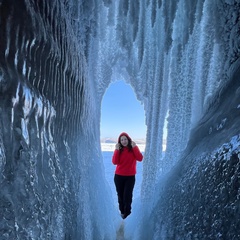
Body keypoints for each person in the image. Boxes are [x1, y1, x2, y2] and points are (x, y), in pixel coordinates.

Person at [112, 132, 143, 219]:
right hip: (118, 176)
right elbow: (114, 162)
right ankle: (122, 212)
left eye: (125, 139)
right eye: (122, 140)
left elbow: (140, 158)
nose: (124, 141)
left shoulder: (133, 149)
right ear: (119, 142)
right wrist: (117, 150)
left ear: (128, 139)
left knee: (127, 196)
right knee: (120, 196)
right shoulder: (119, 150)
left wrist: (135, 147)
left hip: (130, 177)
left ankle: (127, 214)